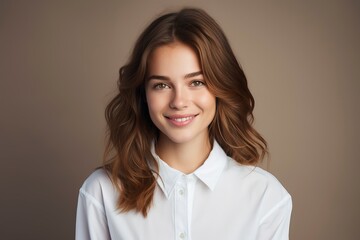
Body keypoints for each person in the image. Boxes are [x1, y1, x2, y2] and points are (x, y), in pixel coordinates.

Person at [76, 7, 292, 240]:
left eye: (196, 82)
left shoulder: (266, 197)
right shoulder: (100, 193)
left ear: (220, 87)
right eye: (162, 85)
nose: (179, 102)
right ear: (143, 94)